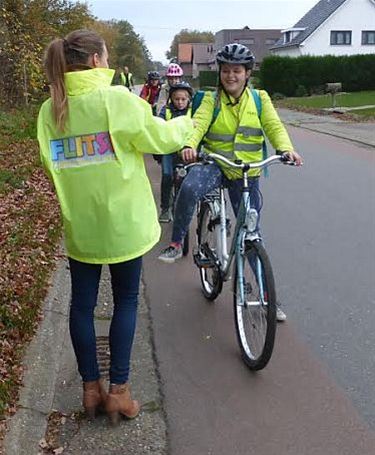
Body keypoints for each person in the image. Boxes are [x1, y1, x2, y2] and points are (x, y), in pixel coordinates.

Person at [37, 29, 193, 424]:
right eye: (105, 57)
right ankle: (119, 393)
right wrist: (188, 124)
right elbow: (159, 139)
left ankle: (91, 391)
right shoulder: (117, 100)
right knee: (125, 302)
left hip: (81, 227)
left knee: (81, 307)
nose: (106, 64)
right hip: (123, 225)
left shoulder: (49, 110)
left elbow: (51, 167)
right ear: (94, 60)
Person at [158, 43, 303, 322]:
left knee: (251, 235)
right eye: (226, 71)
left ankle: (268, 300)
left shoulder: (260, 99)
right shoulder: (210, 100)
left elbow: (273, 126)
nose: (231, 76)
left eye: (237, 71)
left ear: (247, 73)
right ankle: (177, 243)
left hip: (246, 171)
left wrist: (286, 149)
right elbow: (197, 124)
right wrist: (189, 145)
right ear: (220, 73)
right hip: (215, 164)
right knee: (188, 187)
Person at [158, 81, 194, 223]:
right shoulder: (166, 111)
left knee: (185, 180)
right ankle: (165, 208)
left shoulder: (193, 112)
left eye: (183, 99)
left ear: (189, 99)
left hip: (185, 151)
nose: (180, 102)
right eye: (176, 99)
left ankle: (182, 207)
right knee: (167, 176)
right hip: (169, 150)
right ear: (171, 99)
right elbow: (159, 125)